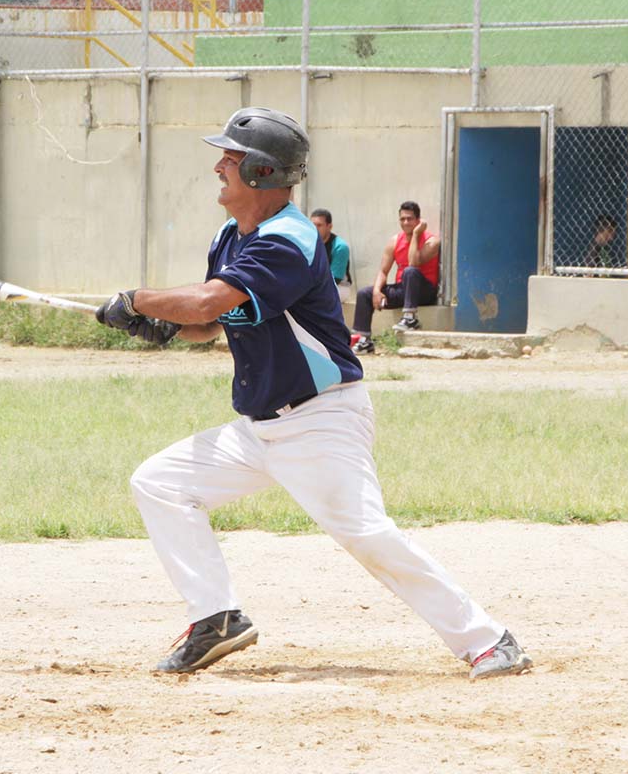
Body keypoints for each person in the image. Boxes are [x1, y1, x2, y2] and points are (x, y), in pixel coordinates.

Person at [95, 106, 532, 681]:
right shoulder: (231, 236)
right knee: (160, 482)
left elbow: (205, 301)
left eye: (230, 157)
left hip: (320, 421)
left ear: (260, 173)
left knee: (367, 536)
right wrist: (165, 326)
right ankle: (217, 618)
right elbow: (213, 318)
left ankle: (489, 639)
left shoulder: (288, 241)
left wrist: (139, 299)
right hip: (260, 427)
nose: (218, 166)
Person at [350, 200, 439, 354]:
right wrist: (377, 291)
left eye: (409, 219)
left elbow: (414, 262)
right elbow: (383, 271)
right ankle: (364, 341)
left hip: (424, 292)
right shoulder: (394, 241)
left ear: (418, 220)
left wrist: (416, 234)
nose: (405, 222)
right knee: (365, 294)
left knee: (409, 271)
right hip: (403, 290)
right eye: (402, 219)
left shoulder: (432, 241)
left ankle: (410, 318)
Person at [311, 207, 352, 302]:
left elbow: (335, 279)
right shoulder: (309, 243)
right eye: (313, 225)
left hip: (340, 287)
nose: (315, 229)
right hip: (315, 285)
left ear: (329, 227)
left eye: (319, 225)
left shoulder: (340, 246)